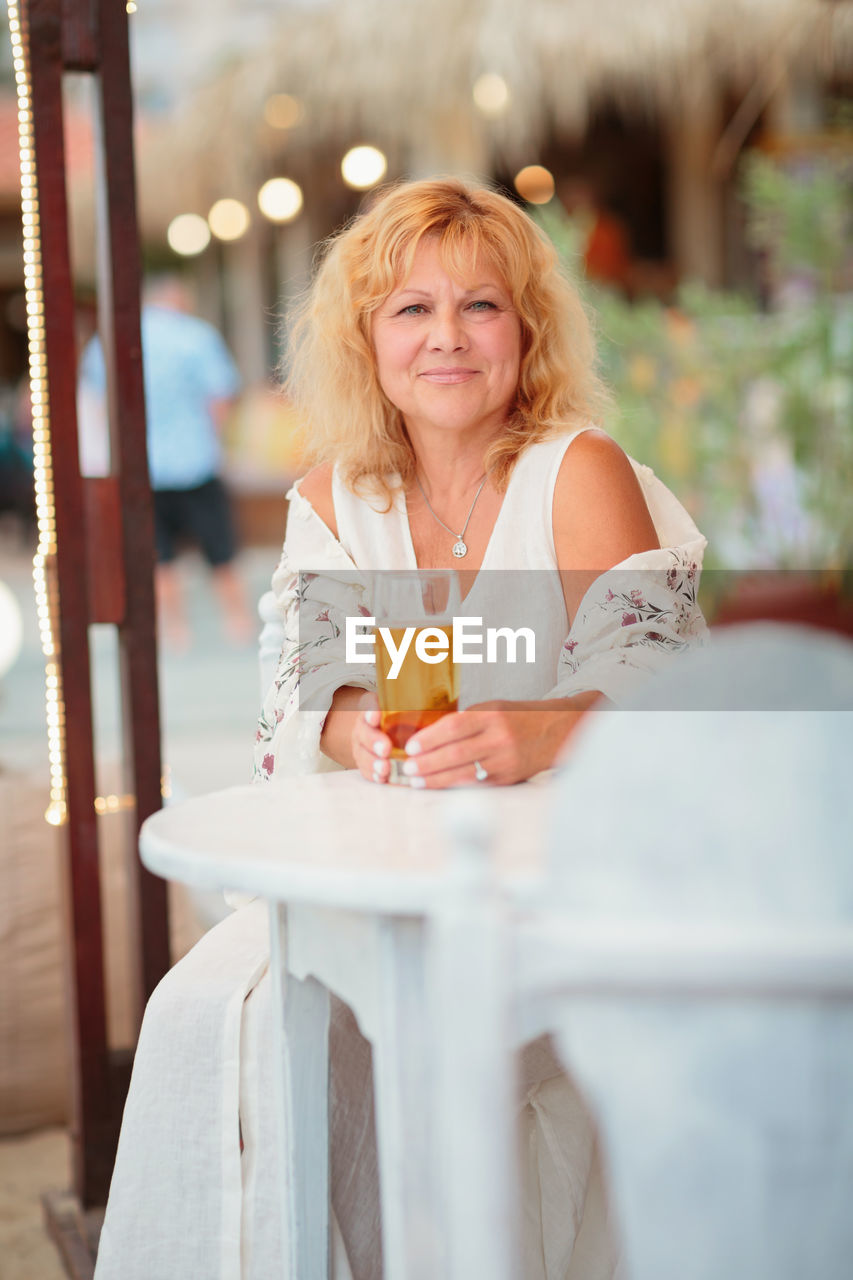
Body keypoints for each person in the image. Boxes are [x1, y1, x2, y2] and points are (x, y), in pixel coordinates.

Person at [95, 179, 707, 1280]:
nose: (446, 338)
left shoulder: (575, 473)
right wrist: (357, 727)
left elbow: (657, 680)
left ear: (525, 331)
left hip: (561, 881)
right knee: (199, 1008)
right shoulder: (342, 495)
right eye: (410, 310)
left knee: (431, 1033)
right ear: (365, 338)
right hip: (384, 864)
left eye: (480, 306)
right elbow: (312, 684)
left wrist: (542, 729)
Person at [79, 275, 253, 648]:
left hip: (141, 467)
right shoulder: (197, 336)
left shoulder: (110, 340)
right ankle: (237, 623)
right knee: (220, 550)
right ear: (178, 300)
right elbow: (219, 398)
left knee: (159, 556)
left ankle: (175, 630)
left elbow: (95, 401)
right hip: (197, 461)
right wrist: (217, 442)